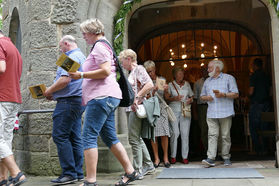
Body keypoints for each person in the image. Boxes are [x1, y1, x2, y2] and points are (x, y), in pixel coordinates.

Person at [69, 18, 138, 186]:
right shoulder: (103, 45)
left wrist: (81, 75)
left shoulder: (99, 46)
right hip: (107, 97)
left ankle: (90, 181)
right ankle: (130, 172)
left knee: (88, 137)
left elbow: (106, 71)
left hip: (101, 97)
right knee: (110, 137)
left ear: (93, 32)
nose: (83, 36)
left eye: (84, 33)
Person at [44, 35, 86, 184]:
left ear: (66, 44)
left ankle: (69, 173)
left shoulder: (71, 56)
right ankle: (78, 173)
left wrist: (49, 91)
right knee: (75, 137)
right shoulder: (81, 55)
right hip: (76, 101)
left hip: (69, 102)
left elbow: (65, 80)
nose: (60, 50)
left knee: (60, 135)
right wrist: (55, 95)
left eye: (60, 47)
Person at [119, 49, 155, 179]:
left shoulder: (138, 69)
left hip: (136, 108)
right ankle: (149, 165)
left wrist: (137, 98)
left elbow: (150, 84)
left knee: (133, 139)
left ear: (128, 59)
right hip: (133, 108)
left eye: (122, 60)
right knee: (137, 138)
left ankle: (138, 170)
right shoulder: (133, 71)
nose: (121, 63)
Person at [0, 30, 27, 186]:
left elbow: (1, 67)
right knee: (5, 140)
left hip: (2, 98)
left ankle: (17, 173)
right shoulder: (13, 47)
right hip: (13, 99)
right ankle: (2, 178)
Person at [200, 59, 239, 167]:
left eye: (210, 68)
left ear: (217, 68)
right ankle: (211, 158)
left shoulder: (229, 78)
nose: (207, 70)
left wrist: (224, 95)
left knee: (225, 136)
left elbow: (236, 94)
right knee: (212, 135)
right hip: (211, 113)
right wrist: (206, 98)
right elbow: (201, 96)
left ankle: (226, 157)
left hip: (225, 112)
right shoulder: (207, 81)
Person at [143, 60, 171, 168]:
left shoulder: (161, 80)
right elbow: (145, 98)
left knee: (164, 133)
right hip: (151, 109)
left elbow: (167, 97)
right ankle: (156, 158)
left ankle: (165, 158)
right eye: (148, 72)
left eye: (151, 71)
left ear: (155, 69)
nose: (150, 73)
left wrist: (167, 90)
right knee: (153, 134)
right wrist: (153, 91)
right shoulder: (145, 82)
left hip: (162, 108)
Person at [165, 67, 194, 164]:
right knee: (175, 133)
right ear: (175, 75)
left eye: (182, 73)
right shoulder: (170, 85)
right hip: (174, 110)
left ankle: (184, 157)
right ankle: (173, 156)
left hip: (185, 110)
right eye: (178, 74)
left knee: (185, 134)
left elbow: (192, 96)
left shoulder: (187, 84)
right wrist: (175, 98)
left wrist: (190, 100)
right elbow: (167, 98)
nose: (180, 75)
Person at [248, 58, 271, 155]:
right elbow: (271, 91)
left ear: (254, 65)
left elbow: (251, 91)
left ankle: (257, 149)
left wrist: (248, 95)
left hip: (256, 104)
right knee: (265, 127)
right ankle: (265, 148)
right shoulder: (266, 75)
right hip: (266, 104)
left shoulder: (254, 76)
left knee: (253, 127)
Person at [193, 66, 208, 154]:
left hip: (211, 107)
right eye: (203, 71)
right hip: (201, 108)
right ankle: (207, 150)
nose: (205, 72)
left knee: (213, 129)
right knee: (204, 130)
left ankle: (215, 150)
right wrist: (195, 113)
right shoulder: (197, 83)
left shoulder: (213, 81)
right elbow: (195, 99)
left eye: (206, 70)